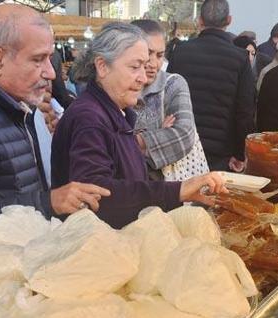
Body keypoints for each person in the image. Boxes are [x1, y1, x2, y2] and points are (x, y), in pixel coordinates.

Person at [0, 4, 109, 236]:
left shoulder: (17, 102)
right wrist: (49, 202)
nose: (51, 73)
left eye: (50, 58)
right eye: (38, 59)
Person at [52, 23, 227, 229]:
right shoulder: (89, 118)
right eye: (135, 67)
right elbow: (97, 197)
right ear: (102, 66)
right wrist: (178, 190)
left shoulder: (116, 112)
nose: (143, 78)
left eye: (145, 67)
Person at [167, 0, 255, 172]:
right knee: (216, 196)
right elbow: (245, 111)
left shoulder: (181, 51)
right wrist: (239, 153)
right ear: (229, 20)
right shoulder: (240, 58)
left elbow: (167, 97)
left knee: (182, 197)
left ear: (199, 21)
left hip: (183, 144)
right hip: (222, 151)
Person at [131, 19, 209, 181]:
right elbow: (108, 149)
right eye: (147, 54)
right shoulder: (120, 89)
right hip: (130, 190)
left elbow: (183, 135)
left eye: (160, 55)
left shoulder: (173, 84)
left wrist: (134, 142)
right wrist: (159, 133)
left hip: (171, 189)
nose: (153, 63)